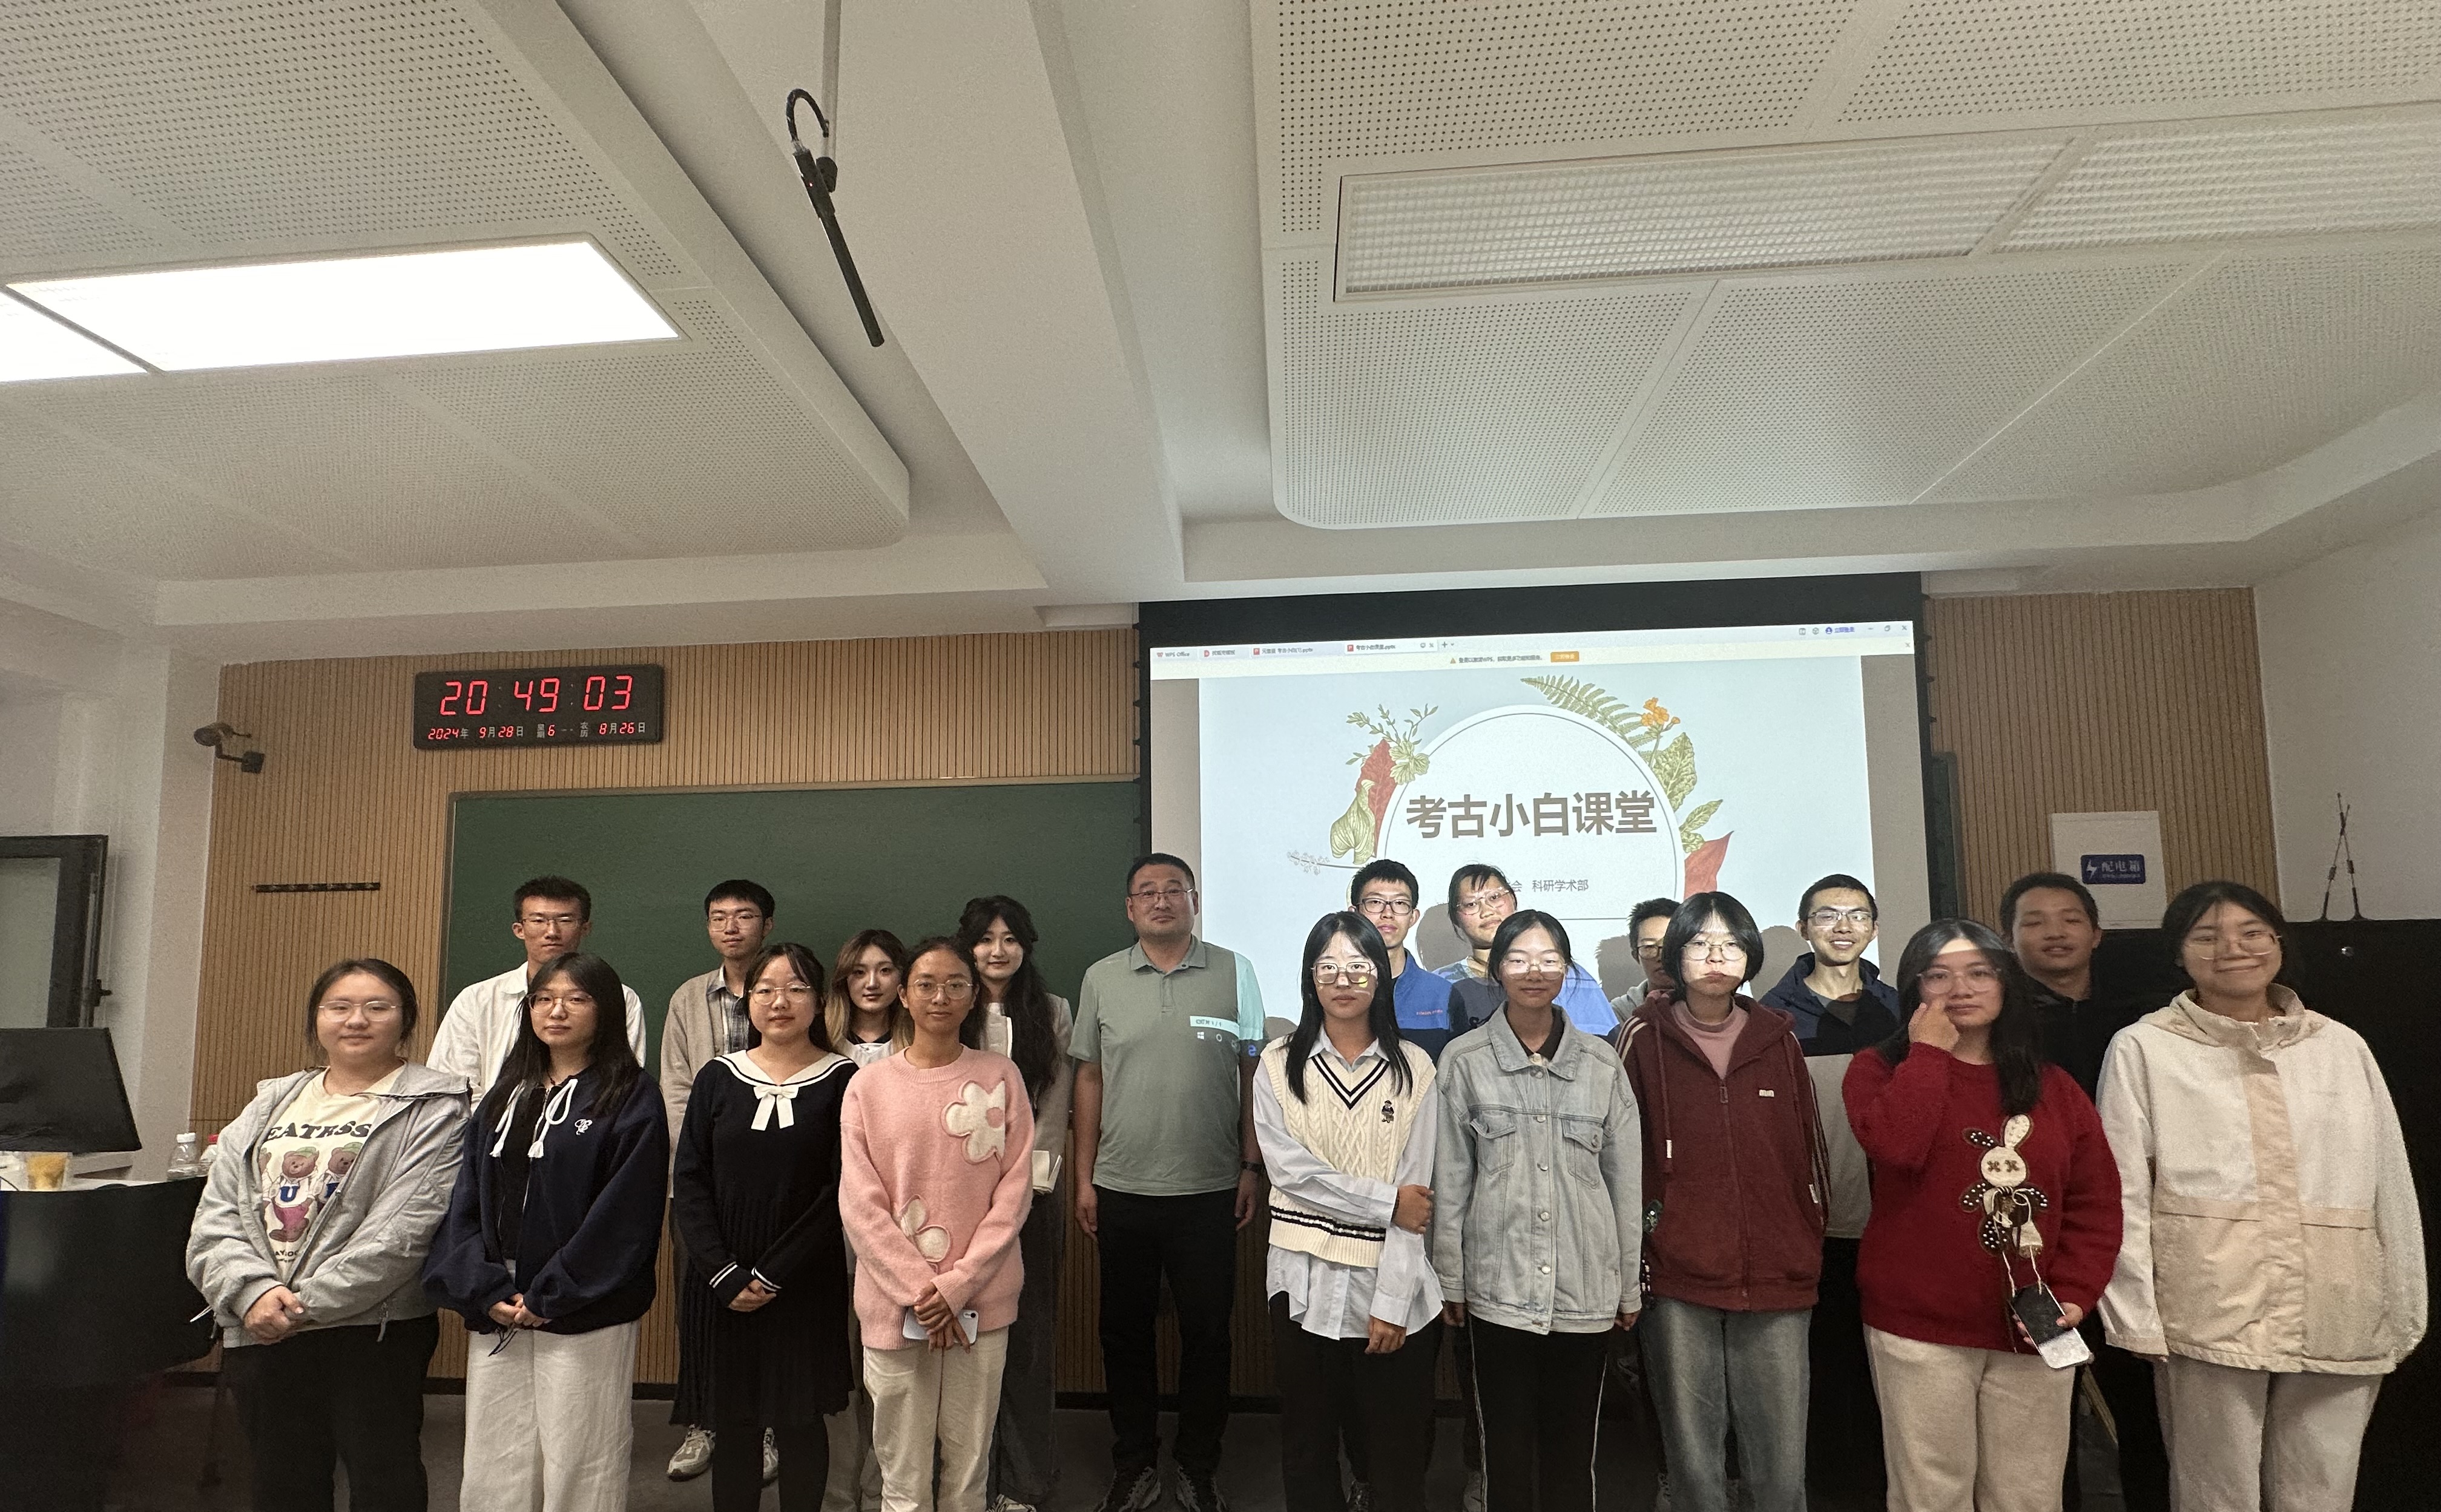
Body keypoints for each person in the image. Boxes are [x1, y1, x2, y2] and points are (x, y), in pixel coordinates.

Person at [2098, 882, 2426, 1512]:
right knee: (2214, 1488)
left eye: (2252, 932)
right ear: (2178, 953)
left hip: (2338, 1290)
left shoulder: (2339, 1045)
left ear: (2278, 942)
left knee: (2323, 1484)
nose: (2233, 948)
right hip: (2211, 1292)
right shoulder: (2146, 1047)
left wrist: (2405, 1300)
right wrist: (2134, 1312)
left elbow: (2389, 1175)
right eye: (2207, 936)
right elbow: (2123, 1186)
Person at [1844, 921, 2123, 1512]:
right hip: (1920, 1325)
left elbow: (2095, 1202)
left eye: (1979, 972)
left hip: (2037, 1321)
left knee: (2028, 1495)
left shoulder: (2053, 1086)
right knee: (1931, 1495)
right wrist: (1928, 1054)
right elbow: (1898, 1146)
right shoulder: (1878, 1070)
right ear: (1914, 988)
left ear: (2006, 983)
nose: (1961, 988)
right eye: (1938, 975)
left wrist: (2075, 1293)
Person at [187, 958, 469, 1512]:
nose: (355, 1020)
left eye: (376, 1007)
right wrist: (253, 1294)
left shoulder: (436, 1106)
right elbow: (217, 1213)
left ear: (406, 1019)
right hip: (261, 1323)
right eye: (339, 1007)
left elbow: (406, 1228)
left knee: (383, 1480)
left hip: (372, 1329)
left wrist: (300, 1307)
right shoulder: (273, 1100)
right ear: (317, 1018)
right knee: (282, 1482)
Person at [424, 951, 668, 1512]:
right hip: (501, 1293)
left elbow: (625, 1214)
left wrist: (552, 1294)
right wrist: (483, 1286)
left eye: (576, 999)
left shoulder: (630, 1095)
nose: (557, 1011)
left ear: (605, 1011)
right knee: (497, 1442)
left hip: (582, 1297)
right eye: (544, 999)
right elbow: (468, 1196)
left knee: (580, 1443)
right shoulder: (506, 1093)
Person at [1071, 853, 1267, 1512]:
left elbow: (1253, 1073)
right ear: (1130, 907)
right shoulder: (1101, 977)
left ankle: (1197, 1464)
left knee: (1208, 1334)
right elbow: (1089, 1076)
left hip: (1211, 1188)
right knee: (1123, 1333)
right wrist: (1085, 1178)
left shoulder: (1236, 971)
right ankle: (1135, 1462)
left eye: (1174, 890)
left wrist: (1250, 1165)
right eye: (1147, 892)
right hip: (1122, 1187)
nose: (1161, 901)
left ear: (1195, 900)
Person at [1433, 909, 1642, 1512]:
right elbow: (1451, 1177)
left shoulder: (1601, 1064)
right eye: (1519, 959)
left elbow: (1625, 1182)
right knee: (1504, 1452)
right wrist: (1450, 1275)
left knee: (1572, 1455)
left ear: (1566, 969)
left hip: (1586, 1286)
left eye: (1549, 959)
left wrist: (1627, 1284)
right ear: (1497, 969)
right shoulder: (1465, 1060)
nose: (1534, 972)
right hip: (1498, 1286)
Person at [1620, 893, 1823, 1512]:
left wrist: (1806, 1231)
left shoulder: (1777, 1038)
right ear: (1674, 956)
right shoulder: (1640, 1037)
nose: (1715, 956)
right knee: (1693, 1459)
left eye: (1731, 944)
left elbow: (1807, 1148)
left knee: (1782, 1461)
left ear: (1750, 956)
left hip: (1778, 1268)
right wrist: (1642, 1246)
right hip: (1677, 1270)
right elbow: (1620, 1155)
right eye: (1699, 944)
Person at [839, 937, 1035, 1512]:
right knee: (901, 1474)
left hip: (982, 1302)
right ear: (903, 995)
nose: (940, 996)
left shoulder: (1001, 1077)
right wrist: (924, 1293)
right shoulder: (868, 1086)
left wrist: (957, 1286)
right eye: (926, 984)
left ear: (973, 996)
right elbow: (861, 1205)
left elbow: (1014, 1193)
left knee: (968, 1469)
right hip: (895, 1306)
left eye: (955, 985)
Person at [1257, 912, 1441, 1512]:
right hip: (1300, 1282)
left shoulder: (1414, 1067)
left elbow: (1419, 1199)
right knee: (1307, 1448)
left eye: (1358, 967)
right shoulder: (1278, 1063)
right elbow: (1290, 1173)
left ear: (1380, 976)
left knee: (1395, 1456)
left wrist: (1392, 1302)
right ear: (1310, 978)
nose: (1343, 980)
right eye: (1328, 968)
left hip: (1388, 1285)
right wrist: (1385, 1202)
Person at [2000, 869, 2169, 1511]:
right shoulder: (1997, 1025)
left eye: (2070, 919)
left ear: (2097, 933)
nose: (2055, 932)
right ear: (2008, 938)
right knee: (2045, 1405)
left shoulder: (2148, 1022)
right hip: (2039, 1246)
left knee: (2145, 1398)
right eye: (2035, 921)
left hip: (2135, 1234)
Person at [672, 940, 856, 1512]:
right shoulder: (717, 1077)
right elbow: (690, 1180)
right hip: (721, 1283)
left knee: (801, 1421)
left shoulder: (845, 1079)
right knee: (735, 1423)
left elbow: (843, 1188)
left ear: (819, 1001)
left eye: (796, 989)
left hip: (805, 1281)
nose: (780, 1002)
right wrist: (723, 1272)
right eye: (766, 989)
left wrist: (775, 1272)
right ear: (747, 1000)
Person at [1757, 873, 1899, 1503]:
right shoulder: (1772, 1018)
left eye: (1857, 914)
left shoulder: (1900, 1011)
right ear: (1803, 926)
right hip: (1813, 1229)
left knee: (1894, 1381)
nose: (1843, 926)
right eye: (1827, 914)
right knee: (1823, 1379)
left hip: (1896, 1227)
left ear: (1874, 927)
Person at [957, 896, 1075, 1512]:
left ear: (1026, 946)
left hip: (1032, 1199)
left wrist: (1024, 1188)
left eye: (1010, 938)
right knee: (961, 1344)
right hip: (956, 1204)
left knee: (1027, 1342)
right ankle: (965, 1481)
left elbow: (1054, 1107)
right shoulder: (947, 1005)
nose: (997, 950)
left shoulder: (1052, 1011)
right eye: (985, 938)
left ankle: (1022, 1484)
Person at [662, 879, 780, 1485]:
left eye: (744, 915)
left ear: (767, 923)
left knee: (771, 1302)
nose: (730, 927)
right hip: (701, 1181)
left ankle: (767, 1427)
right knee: (701, 1303)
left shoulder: (789, 988)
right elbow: (676, 1088)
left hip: (775, 1182)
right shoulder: (688, 997)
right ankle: (704, 1421)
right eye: (718, 917)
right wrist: (708, 1163)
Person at [428, 876, 646, 1102]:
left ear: (585, 928)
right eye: (538, 920)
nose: (552, 932)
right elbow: (452, 1087)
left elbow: (621, 1081)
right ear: (519, 930)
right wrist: (500, 1119)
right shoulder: (476, 1000)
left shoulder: (619, 998)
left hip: (586, 1120)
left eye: (565, 920)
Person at [1437, 865, 1616, 1036]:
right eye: (1471, 904)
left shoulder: (1565, 974)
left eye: (1495, 897)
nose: (1487, 911)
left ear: (1513, 899)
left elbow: (1601, 1042)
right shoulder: (1441, 984)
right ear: (1455, 919)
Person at [1352, 859, 1460, 1060]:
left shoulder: (1442, 994)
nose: (1388, 914)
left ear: (1413, 917)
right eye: (1375, 902)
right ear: (1355, 913)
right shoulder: (1338, 987)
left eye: (1400, 904)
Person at [828, 929, 911, 1068]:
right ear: (844, 979)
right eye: (859, 972)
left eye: (885, 970)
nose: (872, 984)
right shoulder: (822, 1041)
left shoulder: (919, 1042)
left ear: (902, 977)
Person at [1605, 896, 1680, 1022]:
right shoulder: (1618, 1013)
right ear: (1636, 956)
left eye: (1671, 945)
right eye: (1649, 947)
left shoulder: (1711, 1003)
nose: (1662, 957)